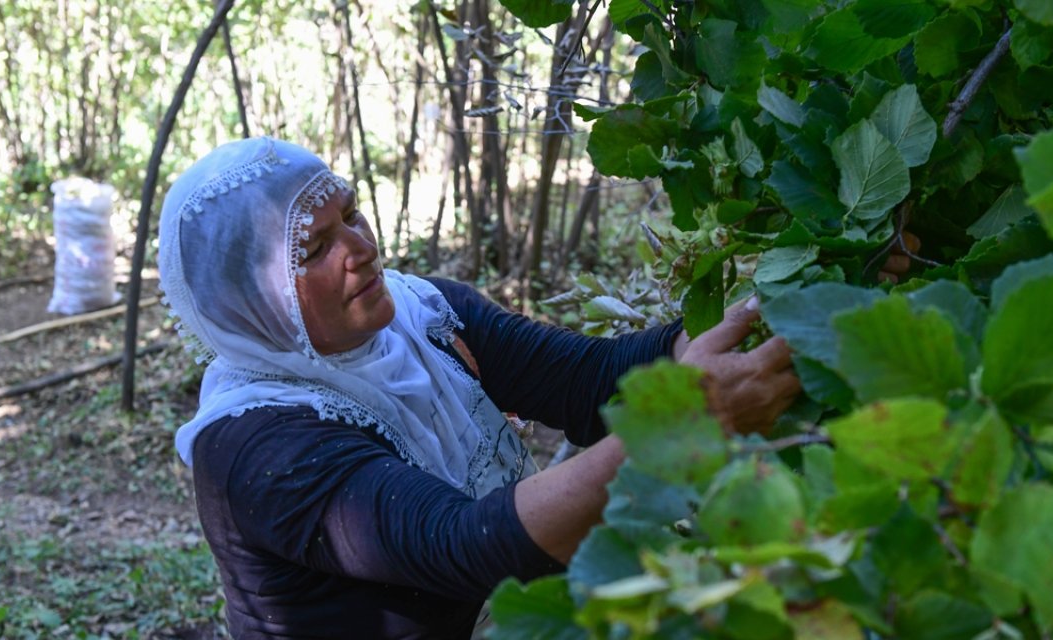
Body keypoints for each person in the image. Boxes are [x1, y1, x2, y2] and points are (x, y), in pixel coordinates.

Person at [157, 137, 801, 639]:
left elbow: (593, 382)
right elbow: (464, 542)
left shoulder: (422, 313)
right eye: (314, 247)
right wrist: (678, 426)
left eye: (352, 215)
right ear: (249, 298)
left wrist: (785, 300)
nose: (360, 248)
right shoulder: (254, 446)